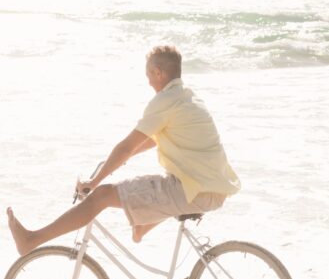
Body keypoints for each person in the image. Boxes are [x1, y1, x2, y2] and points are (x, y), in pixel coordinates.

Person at [7, 45, 240, 257]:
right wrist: (126, 157)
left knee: (102, 195)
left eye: (148, 74)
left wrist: (95, 181)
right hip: (212, 189)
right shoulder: (188, 97)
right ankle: (141, 226)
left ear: (159, 73)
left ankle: (31, 240)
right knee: (154, 186)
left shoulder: (165, 101)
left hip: (192, 191)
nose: (148, 80)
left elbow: (126, 146)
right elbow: (154, 139)